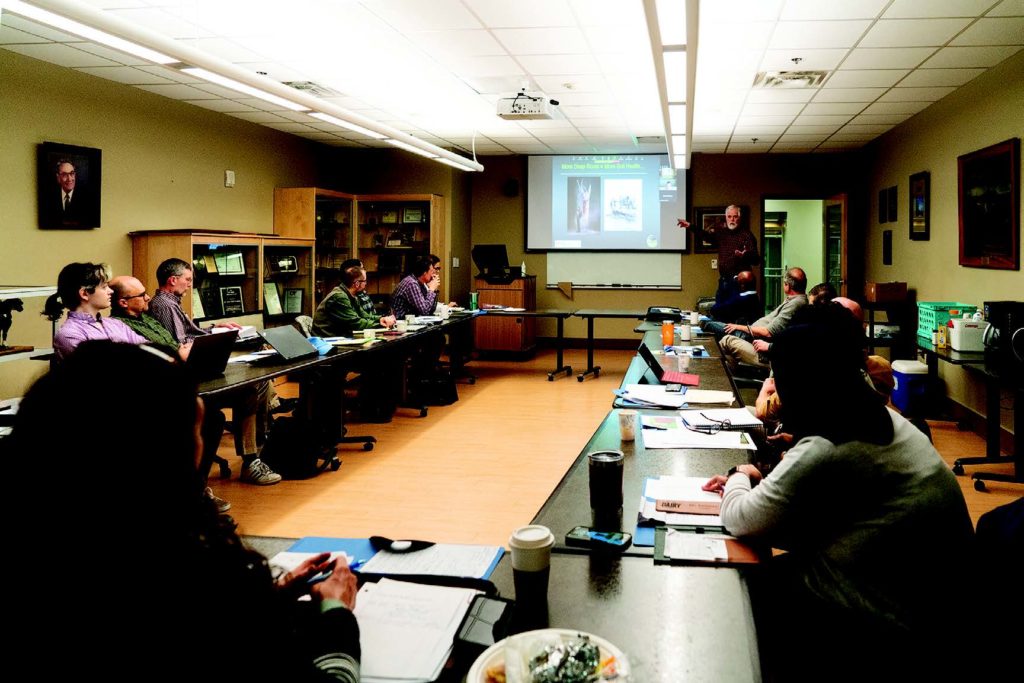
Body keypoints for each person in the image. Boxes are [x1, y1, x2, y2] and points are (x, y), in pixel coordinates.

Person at [1, 342, 361, 680]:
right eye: (195, 427)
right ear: (166, 454)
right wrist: (337, 614)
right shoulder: (187, 574)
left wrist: (269, 597)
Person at [702, 305, 974, 680]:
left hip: (887, 624)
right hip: (932, 605)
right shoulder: (876, 417)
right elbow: (815, 512)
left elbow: (741, 518)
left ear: (803, 386)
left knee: (733, 593)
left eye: (780, 379)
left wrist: (739, 474)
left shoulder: (827, 446)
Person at [148, 257, 281, 485]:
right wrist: (214, 338)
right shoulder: (164, 305)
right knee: (252, 385)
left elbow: (190, 333)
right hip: (191, 374)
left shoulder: (171, 302)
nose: (190, 285)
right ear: (173, 280)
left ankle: (254, 455)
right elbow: (182, 344)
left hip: (197, 365)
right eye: (187, 280)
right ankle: (254, 454)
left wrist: (214, 329)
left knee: (255, 385)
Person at [110, 275, 230, 511]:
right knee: (211, 418)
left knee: (240, 398)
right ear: (123, 302)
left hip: (182, 374)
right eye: (141, 295)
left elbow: (175, 345)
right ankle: (194, 490)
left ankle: (211, 479)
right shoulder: (120, 327)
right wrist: (179, 354)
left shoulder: (147, 318)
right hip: (157, 391)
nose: (147, 298)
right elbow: (155, 358)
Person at [43, 262, 148, 361]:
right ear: (84, 293)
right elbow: (97, 370)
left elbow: (149, 350)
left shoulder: (116, 324)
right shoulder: (69, 334)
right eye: (104, 287)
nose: (111, 291)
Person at [717, 266, 807, 371]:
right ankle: (729, 376)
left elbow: (769, 332)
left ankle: (725, 376)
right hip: (753, 338)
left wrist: (740, 327)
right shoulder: (793, 300)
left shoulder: (796, 303)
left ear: (788, 285)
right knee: (724, 352)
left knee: (725, 338)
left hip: (766, 354)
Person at [313, 266, 395, 337]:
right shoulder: (339, 297)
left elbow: (364, 315)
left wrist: (381, 319)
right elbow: (356, 323)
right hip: (327, 340)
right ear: (357, 284)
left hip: (339, 336)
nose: (366, 284)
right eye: (365, 281)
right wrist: (381, 324)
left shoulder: (351, 295)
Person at [713, 205, 759, 304]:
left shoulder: (747, 235)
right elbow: (707, 237)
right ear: (726, 217)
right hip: (724, 281)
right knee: (719, 312)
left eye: (735, 216)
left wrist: (745, 255)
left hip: (740, 284)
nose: (732, 219)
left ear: (739, 218)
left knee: (737, 314)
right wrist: (690, 226)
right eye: (729, 217)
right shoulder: (722, 234)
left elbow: (756, 260)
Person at [39, 158, 97, 228]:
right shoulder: (48, 198)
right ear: (58, 177)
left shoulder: (87, 198)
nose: (69, 179)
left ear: (75, 175)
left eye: (72, 173)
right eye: (64, 174)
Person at [390, 255, 440, 319]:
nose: (433, 274)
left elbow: (430, 309)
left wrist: (434, 290)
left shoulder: (420, 284)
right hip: (399, 323)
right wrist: (431, 290)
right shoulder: (411, 283)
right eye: (432, 271)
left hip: (408, 321)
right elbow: (425, 311)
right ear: (424, 272)